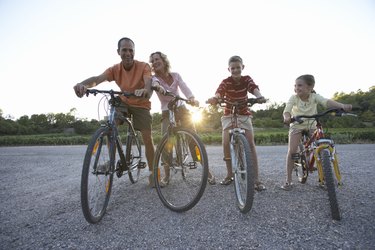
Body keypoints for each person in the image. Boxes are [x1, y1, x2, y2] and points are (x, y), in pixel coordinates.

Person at [73, 37, 163, 187]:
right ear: (118, 52)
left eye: (130, 50)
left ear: (134, 52)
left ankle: (154, 173)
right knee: (111, 122)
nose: (127, 53)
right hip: (124, 101)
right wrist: (83, 84)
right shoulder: (115, 69)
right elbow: (97, 79)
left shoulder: (143, 66)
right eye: (124, 50)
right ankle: (112, 159)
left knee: (147, 137)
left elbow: (148, 84)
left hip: (141, 103)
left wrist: (145, 91)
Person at [149, 51, 216, 185]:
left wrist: (191, 98)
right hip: (167, 111)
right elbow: (155, 84)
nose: (155, 62)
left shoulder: (175, 75)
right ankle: (167, 176)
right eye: (153, 61)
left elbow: (184, 87)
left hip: (181, 109)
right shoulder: (154, 78)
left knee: (193, 140)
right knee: (166, 143)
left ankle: (207, 172)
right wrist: (158, 87)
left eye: (157, 59)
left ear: (164, 61)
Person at [281, 74, 352, 191]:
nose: (296, 88)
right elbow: (287, 110)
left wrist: (342, 106)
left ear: (310, 87)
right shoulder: (293, 98)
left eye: (300, 85)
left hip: (312, 124)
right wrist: (287, 117)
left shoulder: (314, 97)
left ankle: (323, 179)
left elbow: (326, 102)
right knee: (292, 151)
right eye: (295, 86)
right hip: (297, 125)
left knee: (319, 144)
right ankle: (288, 180)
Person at [207, 55, 266, 190]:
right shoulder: (226, 82)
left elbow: (253, 88)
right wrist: (215, 98)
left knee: (250, 144)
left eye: (238, 68)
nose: (235, 70)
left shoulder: (246, 79)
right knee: (225, 142)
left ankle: (256, 179)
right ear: (229, 69)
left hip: (244, 114)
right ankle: (229, 175)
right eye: (232, 68)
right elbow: (219, 92)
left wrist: (259, 96)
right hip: (229, 114)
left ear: (242, 67)